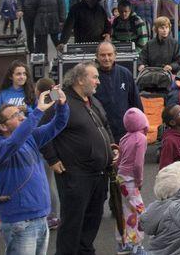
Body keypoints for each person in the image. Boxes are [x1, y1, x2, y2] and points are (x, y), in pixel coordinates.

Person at [41, 62, 114, 255]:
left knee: (92, 222)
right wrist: (52, 159)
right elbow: (40, 130)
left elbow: (105, 126)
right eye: (94, 77)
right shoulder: (60, 98)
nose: (98, 81)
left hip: (99, 175)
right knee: (73, 224)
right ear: (80, 79)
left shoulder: (92, 100)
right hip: (75, 175)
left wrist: (112, 147)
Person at [0, 86, 68, 255]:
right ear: (3, 127)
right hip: (20, 221)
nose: (22, 116)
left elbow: (58, 124)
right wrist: (38, 111)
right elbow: (14, 141)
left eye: (21, 113)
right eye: (15, 115)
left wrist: (62, 105)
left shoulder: (30, 138)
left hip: (41, 217)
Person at [92, 41, 143, 141]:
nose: (106, 58)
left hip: (125, 131)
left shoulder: (125, 73)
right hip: (101, 132)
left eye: (109, 54)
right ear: (97, 56)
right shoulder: (92, 76)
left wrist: (140, 126)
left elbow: (135, 102)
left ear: (115, 55)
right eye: (102, 55)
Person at [116, 107, 149, 253]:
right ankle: (137, 245)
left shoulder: (125, 137)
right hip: (131, 180)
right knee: (140, 212)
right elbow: (138, 164)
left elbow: (119, 160)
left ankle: (124, 243)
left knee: (125, 211)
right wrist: (139, 180)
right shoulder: (141, 139)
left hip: (121, 178)